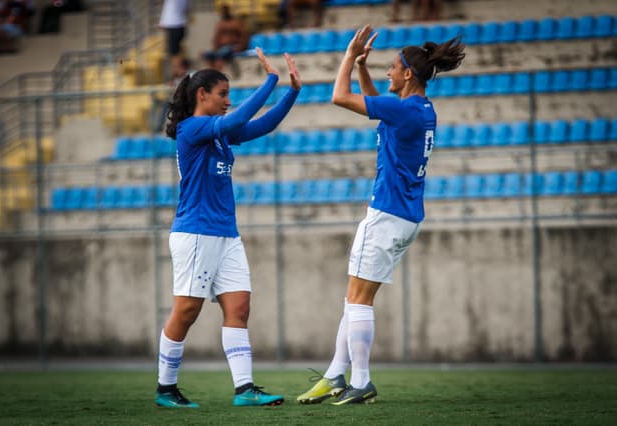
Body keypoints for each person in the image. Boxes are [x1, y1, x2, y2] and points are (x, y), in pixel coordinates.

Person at [297, 24, 465, 405]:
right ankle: (334, 376)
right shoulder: (419, 109)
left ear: (408, 74)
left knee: (358, 300)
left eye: (392, 67)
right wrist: (363, 67)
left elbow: (338, 97)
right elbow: (378, 110)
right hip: (407, 217)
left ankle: (362, 381)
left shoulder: (404, 109)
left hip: (386, 213)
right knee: (355, 297)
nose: (388, 72)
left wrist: (347, 54)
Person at [155, 47, 302, 408]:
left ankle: (244, 389)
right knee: (186, 311)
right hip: (196, 233)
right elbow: (236, 121)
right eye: (222, 94)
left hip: (225, 234)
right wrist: (270, 80)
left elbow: (259, 126)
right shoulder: (192, 129)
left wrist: (292, 92)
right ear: (201, 95)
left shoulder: (217, 132)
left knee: (239, 307)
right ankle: (165, 388)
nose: (227, 100)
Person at [202, 4, 249, 71]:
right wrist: (215, 48)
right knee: (207, 53)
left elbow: (244, 35)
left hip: (232, 47)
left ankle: (218, 72)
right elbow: (216, 38)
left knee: (222, 52)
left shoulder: (236, 23)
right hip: (221, 48)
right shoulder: (220, 24)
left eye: (225, 11)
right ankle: (211, 71)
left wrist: (240, 47)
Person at [159, 0, 189, 80]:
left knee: (174, 51)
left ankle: (179, 71)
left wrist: (163, 22)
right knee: (176, 50)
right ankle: (177, 71)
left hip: (174, 24)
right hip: (179, 24)